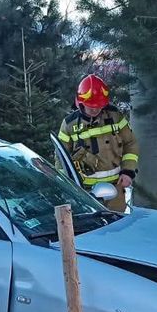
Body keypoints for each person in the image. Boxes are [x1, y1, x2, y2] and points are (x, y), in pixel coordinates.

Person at [57, 74, 140, 213]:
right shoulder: (69, 124)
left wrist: (128, 171)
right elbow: (61, 158)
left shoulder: (115, 116)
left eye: (99, 106)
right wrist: (66, 185)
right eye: (91, 106)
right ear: (80, 102)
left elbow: (131, 143)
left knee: (117, 226)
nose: (95, 110)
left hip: (115, 188)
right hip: (84, 191)